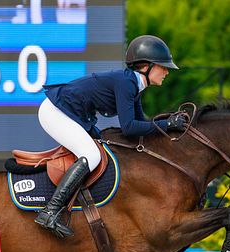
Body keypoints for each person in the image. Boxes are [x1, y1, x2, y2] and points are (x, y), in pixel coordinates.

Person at [35, 34, 188, 238]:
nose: (167, 71)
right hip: (55, 112)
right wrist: (167, 124)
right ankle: (50, 211)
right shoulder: (126, 84)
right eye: (163, 66)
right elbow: (130, 128)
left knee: (101, 148)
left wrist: (167, 128)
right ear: (146, 66)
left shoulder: (132, 85)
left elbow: (141, 126)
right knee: (92, 155)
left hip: (73, 114)